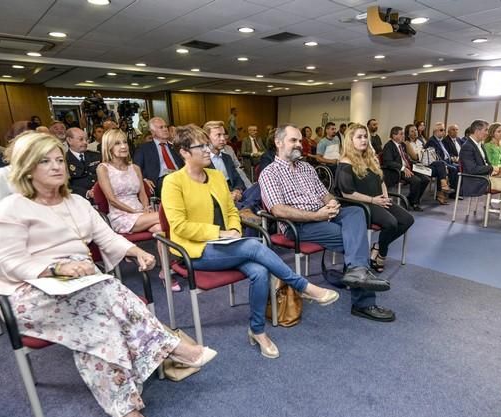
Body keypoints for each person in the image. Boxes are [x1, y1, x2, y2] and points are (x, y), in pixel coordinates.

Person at [0, 132, 216, 417]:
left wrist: (136, 252)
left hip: (82, 286)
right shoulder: (11, 208)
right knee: (106, 289)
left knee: (99, 328)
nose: (57, 167)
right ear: (27, 168)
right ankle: (170, 346)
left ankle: (126, 411)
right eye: (45, 161)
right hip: (28, 292)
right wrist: (56, 267)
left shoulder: (77, 202)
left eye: (59, 160)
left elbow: (106, 237)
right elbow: (7, 262)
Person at [163, 124, 339, 359]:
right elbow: (179, 226)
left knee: (258, 271)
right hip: (195, 251)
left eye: (208, 144)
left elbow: (232, 210)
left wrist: (234, 229)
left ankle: (257, 331)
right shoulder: (173, 182)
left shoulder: (215, 175)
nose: (208, 150)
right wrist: (220, 233)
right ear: (184, 152)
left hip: (228, 246)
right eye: (201, 146)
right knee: (255, 245)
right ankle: (302, 286)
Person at [259, 124, 394, 322]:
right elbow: (278, 210)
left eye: (299, 140)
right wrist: (317, 216)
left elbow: (325, 194)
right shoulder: (270, 173)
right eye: (293, 141)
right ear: (278, 143)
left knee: (356, 211)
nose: (299, 144)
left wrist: (331, 203)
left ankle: (356, 272)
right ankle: (363, 302)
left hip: (324, 214)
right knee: (354, 241)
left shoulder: (306, 168)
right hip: (298, 224)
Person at [336, 124, 414, 273]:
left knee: (407, 219)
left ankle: (377, 247)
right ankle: (381, 255)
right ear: (350, 140)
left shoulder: (370, 158)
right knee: (391, 223)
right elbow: (347, 193)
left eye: (365, 136)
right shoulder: (345, 162)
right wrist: (373, 200)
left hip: (377, 200)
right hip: (359, 204)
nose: (364, 140)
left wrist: (384, 196)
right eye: (359, 137)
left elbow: (381, 180)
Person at [96, 129, 161, 234]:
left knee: (160, 228)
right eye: (117, 143)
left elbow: (142, 194)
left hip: (141, 213)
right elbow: (111, 200)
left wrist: (145, 208)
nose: (123, 146)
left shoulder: (135, 168)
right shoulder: (103, 168)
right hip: (120, 215)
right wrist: (133, 211)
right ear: (108, 147)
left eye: (125, 142)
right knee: (165, 216)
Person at [381, 126, 429, 211]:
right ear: (394, 136)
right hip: (397, 170)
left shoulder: (402, 145)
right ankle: (414, 203)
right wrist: (403, 168)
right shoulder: (388, 146)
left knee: (426, 179)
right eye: (401, 134)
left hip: (408, 167)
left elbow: (406, 158)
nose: (404, 136)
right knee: (416, 181)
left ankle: (411, 199)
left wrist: (416, 165)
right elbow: (388, 162)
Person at [133, 117, 184, 197]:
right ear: (152, 132)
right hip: (160, 181)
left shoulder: (175, 147)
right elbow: (135, 168)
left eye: (165, 126)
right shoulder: (144, 149)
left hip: (180, 177)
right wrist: (144, 179)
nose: (165, 129)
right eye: (161, 127)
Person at [405, 123, 451, 205]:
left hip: (425, 163)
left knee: (440, 165)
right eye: (412, 131)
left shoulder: (420, 141)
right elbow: (415, 157)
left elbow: (426, 153)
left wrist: (424, 153)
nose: (415, 132)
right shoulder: (407, 143)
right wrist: (424, 153)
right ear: (408, 134)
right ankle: (442, 190)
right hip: (416, 165)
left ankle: (441, 190)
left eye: (415, 130)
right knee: (441, 167)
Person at [424, 122, 459, 197]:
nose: (443, 132)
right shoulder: (432, 141)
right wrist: (447, 164)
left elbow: (445, 153)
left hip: (446, 161)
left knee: (458, 167)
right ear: (435, 131)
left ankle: (455, 190)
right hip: (436, 163)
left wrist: (451, 159)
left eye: (444, 130)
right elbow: (436, 157)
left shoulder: (440, 141)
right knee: (454, 168)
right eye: (441, 130)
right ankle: (451, 192)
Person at [66, 127, 101, 201]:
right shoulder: (64, 160)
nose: (85, 142)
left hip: (101, 195)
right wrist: (87, 193)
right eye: (81, 139)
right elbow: (65, 186)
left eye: (86, 140)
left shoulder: (96, 156)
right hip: (79, 200)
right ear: (69, 140)